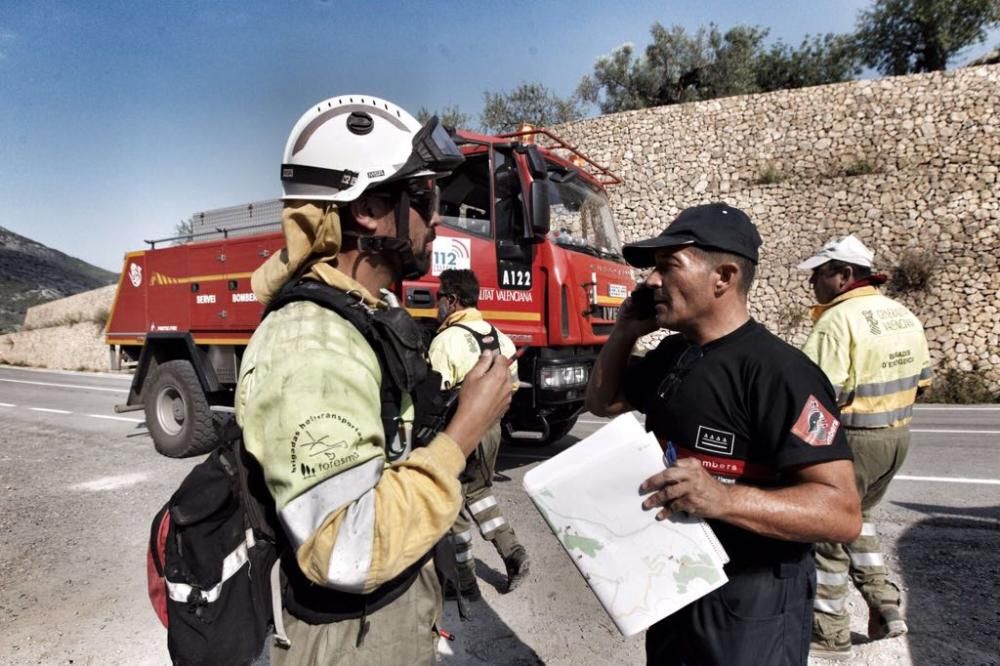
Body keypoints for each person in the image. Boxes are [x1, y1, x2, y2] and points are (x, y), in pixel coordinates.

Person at [235, 95, 514, 665]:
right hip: (346, 642)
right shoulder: (311, 343)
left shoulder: (361, 317)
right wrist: (463, 434)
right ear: (371, 209)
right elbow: (343, 550)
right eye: (426, 199)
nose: (437, 220)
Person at [584, 202, 862, 666]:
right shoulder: (675, 354)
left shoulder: (780, 372)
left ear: (723, 277)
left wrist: (724, 499)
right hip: (674, 581)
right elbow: (602, 402)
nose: (652, 281)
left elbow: (841, 512)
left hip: (750, 600)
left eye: (668, 266)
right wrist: (626, 332)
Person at [798, 234, 932, 660]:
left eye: (818, 274)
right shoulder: (901, 315)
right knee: (862, 519)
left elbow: (815, 397)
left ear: (843, 275)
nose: (813, 284)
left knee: (827, 533)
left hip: (854, 439)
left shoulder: (837, 321)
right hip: (897, 437)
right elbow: (923, 385)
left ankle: (829, 632)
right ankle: (885, 605)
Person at [428, 269, 530, 601]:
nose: (436, 304)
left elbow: (434, 395)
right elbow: (510, 386)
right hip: (492, 431)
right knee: (479, 492)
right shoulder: (500, 337)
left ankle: (462, 581)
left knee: (452, 501)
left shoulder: (446, 341)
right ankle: (514, 553)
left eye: (439, 297)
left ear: (453, 300)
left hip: (460, 432)